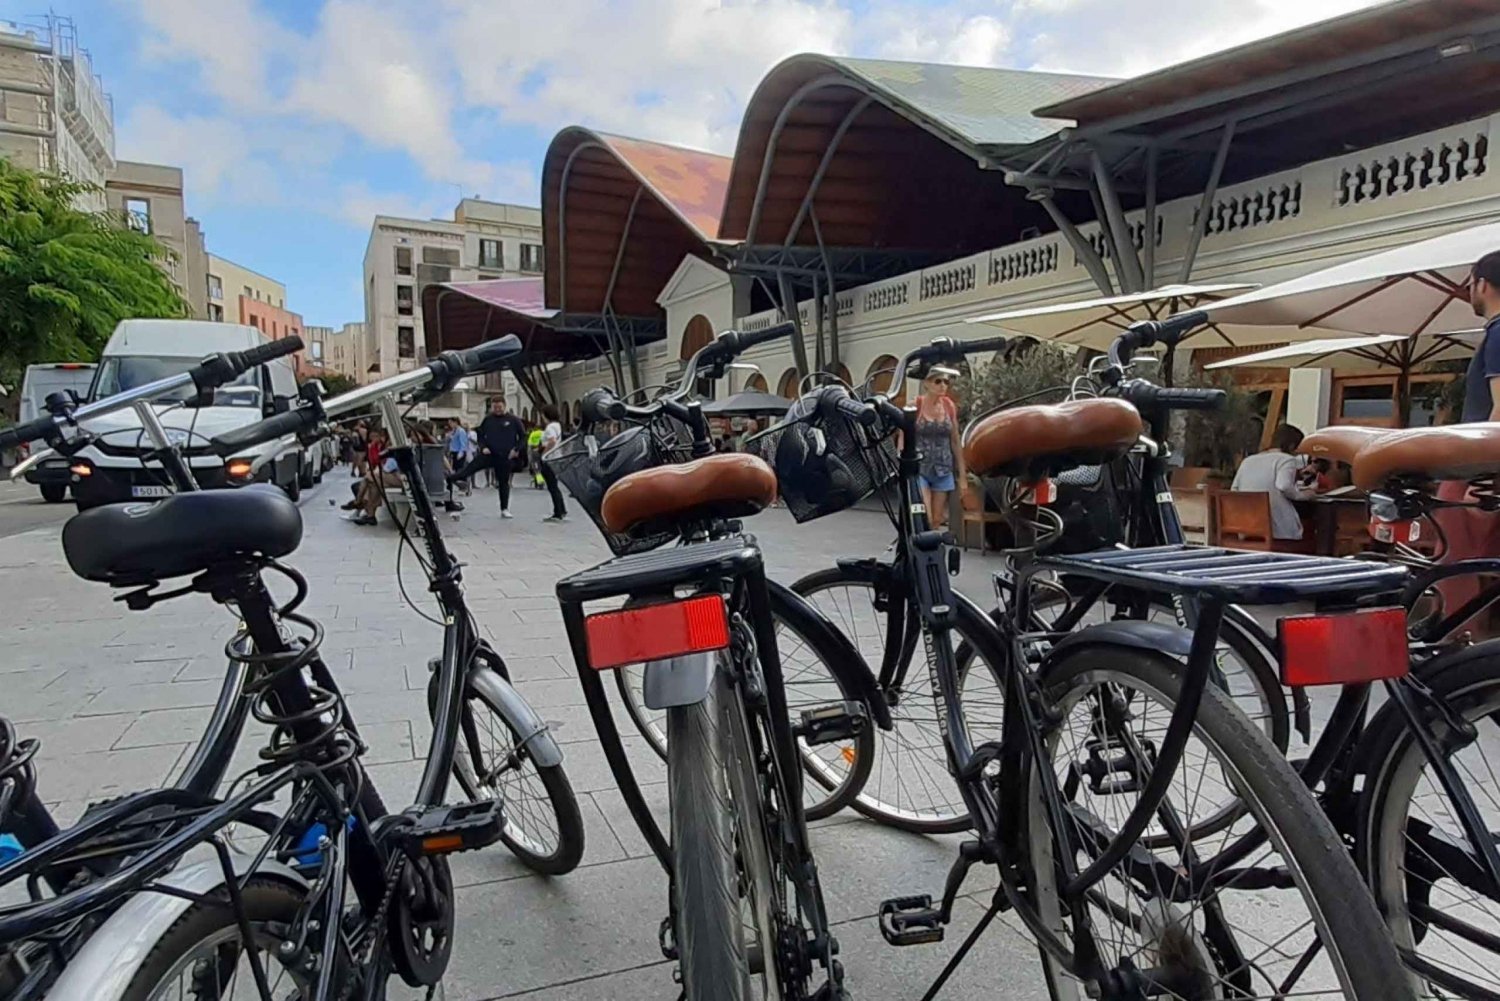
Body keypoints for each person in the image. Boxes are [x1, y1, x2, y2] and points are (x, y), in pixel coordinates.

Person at [1431, 250, 1500, 634]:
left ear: (1483, 284)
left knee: (1457, 564)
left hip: (1479, 465)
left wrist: (1479, 476)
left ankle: (1460, 656)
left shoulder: (1499, 332)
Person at [1230, 424, 1317, 540]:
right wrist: (1305, 495)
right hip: (1277, 532)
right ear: (1291, 446)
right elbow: (1284, 485)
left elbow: (1234, 490)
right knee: (1314, 528)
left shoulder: (1248, 461)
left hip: (1246, 529)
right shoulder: (1286, 459)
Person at [448, 397, 525, 517]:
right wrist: (483, 447)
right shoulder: (488, 419)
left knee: (503, 482)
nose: (497, 410)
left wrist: (516, 450)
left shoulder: (514, 420)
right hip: (488, 454)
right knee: (466, 471)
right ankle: (448, 483)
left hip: (505, 456)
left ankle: (504, 509)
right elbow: (480, 435)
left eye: (499, 407)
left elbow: (523, 437)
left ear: (504, 406)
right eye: (495, 408)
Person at [914, 368, 965, 532]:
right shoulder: (916, 405)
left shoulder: (949, 406)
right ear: (927, 384)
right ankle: (918, 546)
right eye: (938, 381)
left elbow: (955, 440)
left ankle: (929, 551)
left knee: (937, 519)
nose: (943, 385)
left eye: (946, 382)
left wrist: (962, 474)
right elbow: (903, 436)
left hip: (943, 468)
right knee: (925, 515)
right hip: (920, 467)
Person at [538, 404, 569, 523]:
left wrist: (544, 453)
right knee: (554, 486)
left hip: (549, 458)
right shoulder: (557, 425)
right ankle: (561, 509)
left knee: (552, 486)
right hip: (556, 457)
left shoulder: (550, 427)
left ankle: (558, 511)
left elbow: (552, 441)